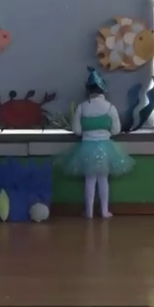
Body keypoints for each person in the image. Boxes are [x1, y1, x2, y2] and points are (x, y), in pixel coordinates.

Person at [57, 67, 135, 219]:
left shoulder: (82, 107)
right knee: (103, 180)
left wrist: (89, 132)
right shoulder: (110, 107)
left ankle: (89, 211)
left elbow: (77, 130)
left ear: (88, 89)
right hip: (106, 147)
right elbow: (116, 130)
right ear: (103, 89)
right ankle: (104, 211)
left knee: (90, 180)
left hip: (86, 146)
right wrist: (104, 132)